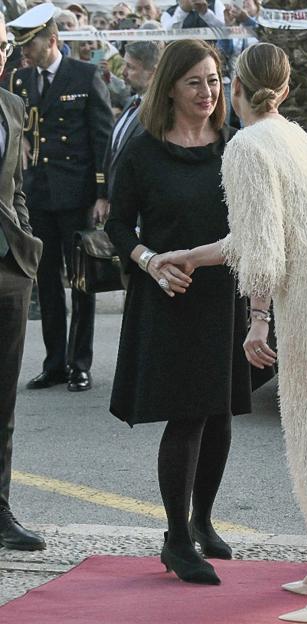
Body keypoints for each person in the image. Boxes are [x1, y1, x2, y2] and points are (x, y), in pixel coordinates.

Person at [153, 42, 307, 622]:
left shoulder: (246, 147)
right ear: (285, 87)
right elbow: (258, 238)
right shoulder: (297, 136)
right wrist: (195, 255)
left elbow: (259, 255)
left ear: (234, 86)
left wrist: (257, 321)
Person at [105, 40, 252, 585]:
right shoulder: (142, 151)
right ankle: (174, 537)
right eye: (195, 82)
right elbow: (118, 226)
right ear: (169, 87)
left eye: (214, 81)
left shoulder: (233, 147)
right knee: (187, 414)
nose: (207, 92)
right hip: (168, 296)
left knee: (219, 411)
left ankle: (203, 521)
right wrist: (149, 262)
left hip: (222, 294)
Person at [5, 3, 113, 392]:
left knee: (81, 281)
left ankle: (79, 362)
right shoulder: (20, 81)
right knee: (46, 280)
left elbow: (102, 138)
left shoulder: (84, 75)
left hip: (77, 194)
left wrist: (103, 193)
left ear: (52, 40)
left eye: (30, 45)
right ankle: (54, 362)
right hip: (39, 194)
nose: (24, 53)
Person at [0, 12, 46, 553]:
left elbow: (15, 187)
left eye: (6, 44)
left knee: (2, 402)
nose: (4, 52)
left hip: (10, 269)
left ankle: (1, 511)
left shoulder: (12, 106)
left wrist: (27, 246)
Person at [101, 40, 160, 215]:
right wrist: (104, 196)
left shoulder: (158, 111)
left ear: (153, 73)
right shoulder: (133, 101)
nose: (124, 73)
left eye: (131, 67)